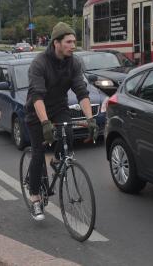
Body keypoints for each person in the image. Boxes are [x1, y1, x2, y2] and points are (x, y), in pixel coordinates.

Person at [25, 22, 98, 221]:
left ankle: (58, 159)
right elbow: (37, 96)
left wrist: (90, 119)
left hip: (59, 108)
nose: (73, 45)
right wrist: (45, 123)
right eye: (69, 42)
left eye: (74, 41)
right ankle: (35, 198)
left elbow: (82, 92)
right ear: (56, 43)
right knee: (39, 154)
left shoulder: (73, 63)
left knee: (70, 134)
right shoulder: (39, 63)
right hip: (36, 112)